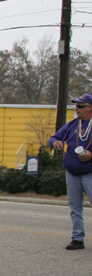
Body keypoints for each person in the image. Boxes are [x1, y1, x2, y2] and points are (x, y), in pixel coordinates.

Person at [50, 94, 92, 250]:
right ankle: (77, 238)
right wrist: (56, 142)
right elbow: (53, 138)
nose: (77, 109)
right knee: (75, 208)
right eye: (76, 106)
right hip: (72, 173)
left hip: (89, 173)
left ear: (90, 108)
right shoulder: (72, 125)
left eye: (80, 106)